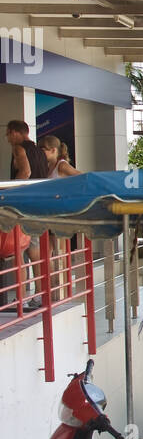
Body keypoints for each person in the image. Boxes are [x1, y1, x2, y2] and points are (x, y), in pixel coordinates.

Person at [5, 121, 50, 309]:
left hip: (23, 206)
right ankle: (38, 295)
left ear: (15, 133)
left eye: (7, 134)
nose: (7, 138)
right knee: (35, 252)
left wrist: (10, 193)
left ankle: (21, 298)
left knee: (19, 252)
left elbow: (26, 171)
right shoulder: (39, 151)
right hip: (39, 205)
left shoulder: (18, 149)